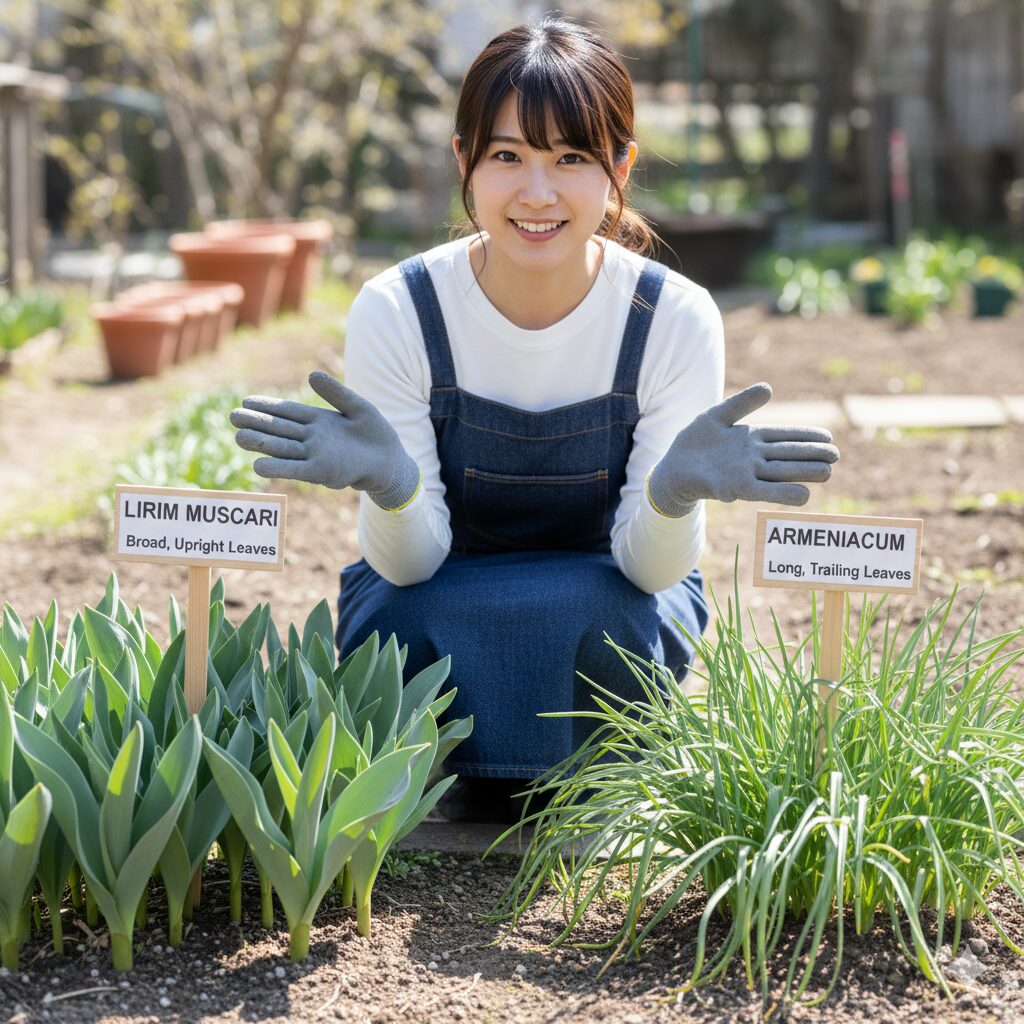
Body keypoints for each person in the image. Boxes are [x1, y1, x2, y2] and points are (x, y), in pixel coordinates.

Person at [230, 16, 839, 822]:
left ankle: (600, 775)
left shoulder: (670, 318)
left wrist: (671, 496)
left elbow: (648, 573)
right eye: (508, 155)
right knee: (400, 614)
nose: (538, 193)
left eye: (572, 159)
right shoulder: (401, 310)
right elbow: (411, 567)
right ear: (464, 162)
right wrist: (393, 484)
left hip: (611, 599)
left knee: (616, 613)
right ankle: (423, 778)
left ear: (619, 165)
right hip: (435, 590)